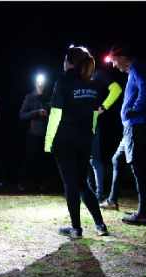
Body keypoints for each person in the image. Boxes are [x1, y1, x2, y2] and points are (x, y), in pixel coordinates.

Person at [44, 45, 108, 239]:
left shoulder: (63, 80)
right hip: (84, 140)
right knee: (82, 183)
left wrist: (48, 142)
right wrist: (90, 132)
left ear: (69, 62)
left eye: (65, 60)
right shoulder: (93, 82)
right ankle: (100, 224)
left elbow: (55, 113)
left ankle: (76, 228)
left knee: (71, 185)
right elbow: (95, 112)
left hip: (64, 140)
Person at [99, 43, 146, 226]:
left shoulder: (137, 68)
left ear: (123, 58)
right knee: (117, 159)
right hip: (129, 127)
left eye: (115, 61)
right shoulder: (133, 71)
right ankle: (112, 200)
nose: (114, 66)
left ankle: (143, 213)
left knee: (138, 167)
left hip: (136, 126)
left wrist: (134, 109)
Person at [87, 68, 123, 202]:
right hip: (78, 122)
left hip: (92, 121)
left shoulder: (97, 74)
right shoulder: (77, 75)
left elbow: (116, 89)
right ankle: (90, 193)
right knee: (84, 159)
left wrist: (103, 107)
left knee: (93, 159)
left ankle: (98, 194)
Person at [18, 73, 51, 191]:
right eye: (39, 81)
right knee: (30, 159)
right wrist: (36, 112)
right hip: (33, 133)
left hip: (46, 134)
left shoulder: (49, 97)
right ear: (36, 82)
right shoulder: (29, 97)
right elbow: (22, 115)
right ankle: (25, 183)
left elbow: (55, 113)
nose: (41, 84)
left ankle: (42, 184)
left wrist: (48, 114)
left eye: (43, 82)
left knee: (44, 160)